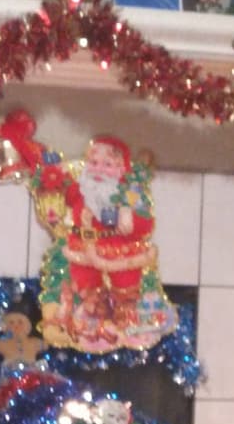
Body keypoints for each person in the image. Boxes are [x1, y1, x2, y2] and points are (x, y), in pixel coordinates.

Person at [28, 133, 178, 353]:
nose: (99, 170)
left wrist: (131, 220)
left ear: (121, 169)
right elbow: (61, 193)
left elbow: (145, 223)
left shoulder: (131, 194)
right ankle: (93, 328)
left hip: (121, 253)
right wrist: (53, 176)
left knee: (126, 292)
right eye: (94, 163)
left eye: (108, 165)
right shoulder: (81, 189)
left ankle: (127, 324)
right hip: (82, 251)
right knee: (88, 293)